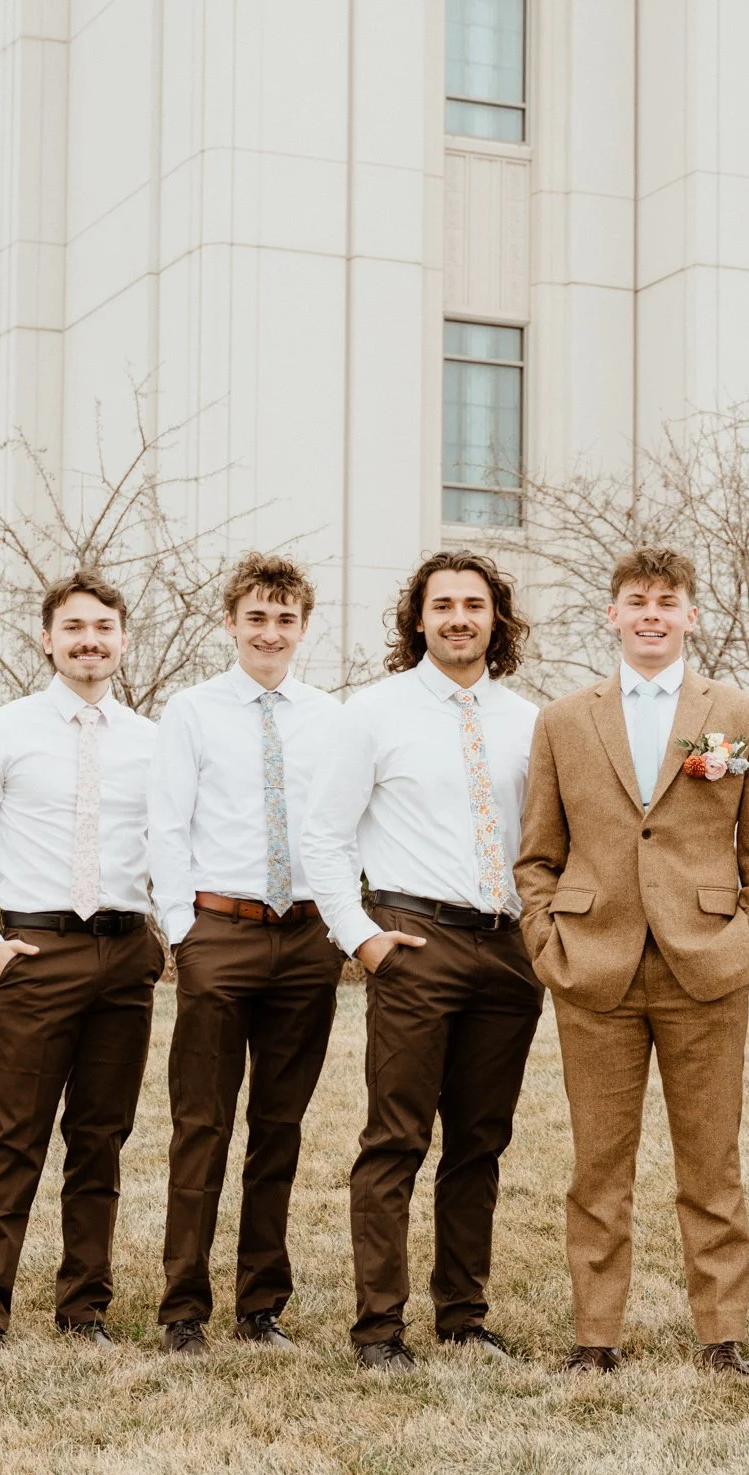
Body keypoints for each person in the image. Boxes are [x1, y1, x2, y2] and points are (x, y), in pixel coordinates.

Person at [515, 546, 749, 1375]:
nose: (651, 614)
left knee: (712, 1161)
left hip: (705, 965)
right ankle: (596, 1337)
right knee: (598, 1163)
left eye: (667, 602)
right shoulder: (564, 719)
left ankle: (722, 1336)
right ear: (612, 613)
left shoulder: (739, 716)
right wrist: (546, 939)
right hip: (593, 966)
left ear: (690, 615)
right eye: (636, 600)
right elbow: (537, 854)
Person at [304, 551, 544, 1371]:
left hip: (509, 953)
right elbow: (324, 836)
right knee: (395, 1140)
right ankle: (378, 1329)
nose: (458, 617)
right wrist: (360, 937)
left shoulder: (530, 722)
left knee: (480, 1142)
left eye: (474, 604)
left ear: (496, 619)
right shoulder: (371, 714)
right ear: (417, 618)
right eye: (442, 604)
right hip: (415, 941)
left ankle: (464, 1319)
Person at [0, 572, 162, 1360]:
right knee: (13, 1138)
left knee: (101, 1139)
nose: (89, 639)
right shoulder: (1, 731)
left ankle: (83, 1311)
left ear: (123, 640)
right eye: (74, 627)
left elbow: (178, 846)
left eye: (103, 627)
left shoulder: (153, 741)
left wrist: (164, 937)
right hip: (37, 951)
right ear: (48, 639)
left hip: (127, 954)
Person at [146, 554, 342, 1356]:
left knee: (279, 1126)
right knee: (202, 1124)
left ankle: (261, 1306)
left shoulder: (331, 717)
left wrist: (341, 922)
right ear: (230, 623)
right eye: (255, 617)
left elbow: (343, 825)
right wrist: (181, 931)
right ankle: (183, 1306)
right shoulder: (190, 712)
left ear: (303, 627)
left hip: (305, 938)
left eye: (285, 618)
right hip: (218, 932)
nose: (270, 632)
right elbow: (165, 825)